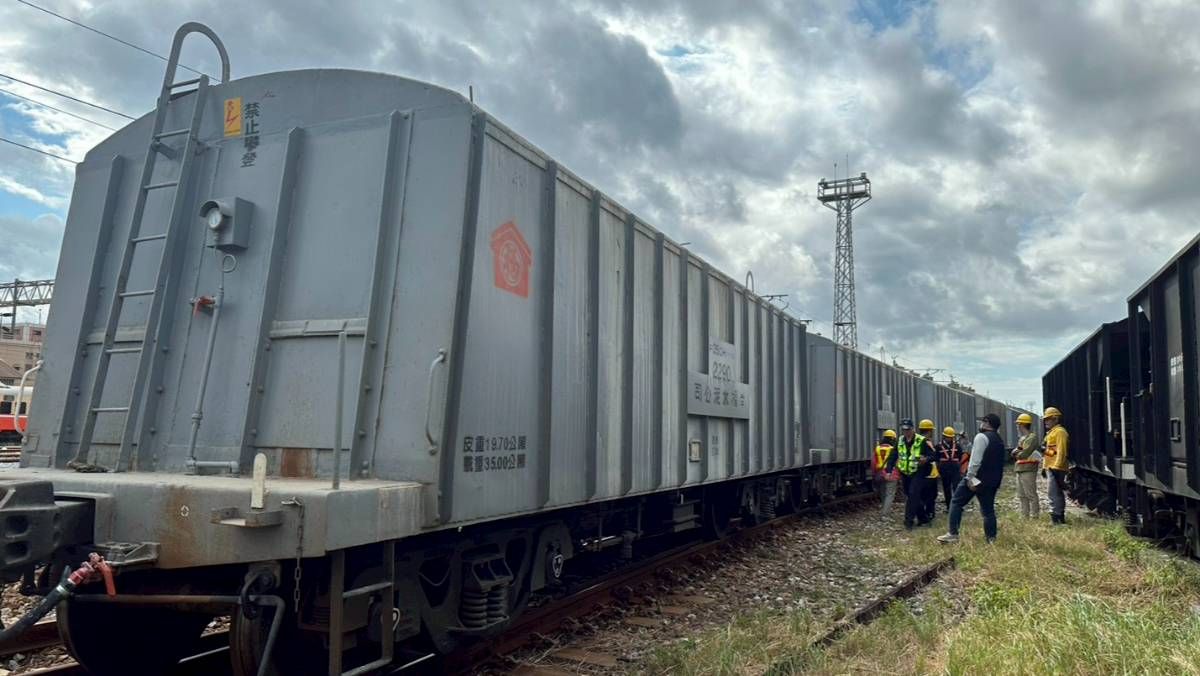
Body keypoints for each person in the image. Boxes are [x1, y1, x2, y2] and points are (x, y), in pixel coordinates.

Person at [937, 413, 1006, 544]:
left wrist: (969, 477)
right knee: (988, 511)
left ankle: (953, 533)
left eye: (982, 422)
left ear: (986, 423)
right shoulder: (998, 440)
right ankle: (991, 539)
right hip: (992, 481)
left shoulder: (981, 437)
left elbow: (975, 461)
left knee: (956, 502)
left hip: (976, 479)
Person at [887, 418, 937, 530]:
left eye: (908, 429)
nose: (906, 432)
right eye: (904, 430)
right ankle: (923, 518)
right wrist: (889, 470)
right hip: (905, 472)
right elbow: (893, 455)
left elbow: (934, 455)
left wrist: (926, 459)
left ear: (912, 429)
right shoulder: (900, 441)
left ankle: (908, 521)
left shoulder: (921, 440)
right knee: (911, 496)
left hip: (918, 472)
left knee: (913, 494)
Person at [1042, 407, 1070, 524]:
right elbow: (1052, 452)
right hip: (1051, 467)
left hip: (1055, 468)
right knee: (1054, 492)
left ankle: (1057, 518)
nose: (1046, 421)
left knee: (1054, 493)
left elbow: (1062, 451)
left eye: (1048, 419)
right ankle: (1057, 517)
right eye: (1045, 419)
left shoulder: (1060, 432)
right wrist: (1044, 466)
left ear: (1055, 419)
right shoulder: (1052, 433)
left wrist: (1057, 467)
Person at [1011, 413, 1040, 518]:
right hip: (1020, 468)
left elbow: (1024, 454)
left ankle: (1034, 516)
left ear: (1022, 424)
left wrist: (1017, 453)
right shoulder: (1023, 438)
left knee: (1031, 494)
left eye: (1018, 424)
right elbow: (1015, 452)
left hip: (1029, 468)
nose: (1017, 427)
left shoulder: (1032, 438)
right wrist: (1017, 453)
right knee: (1022, 495)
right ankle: (1024, 515)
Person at [935, 426, 966, 509]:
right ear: (944, 437)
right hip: (944, 470)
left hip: (955, 469)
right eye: (948, 437)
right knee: (946, 488)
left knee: (957, 487)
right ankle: (949, 506)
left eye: (951, 437)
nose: (950, 439)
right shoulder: (938, 446)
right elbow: (936, 458)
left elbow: (960, 456)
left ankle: (958, 505)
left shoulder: (957, 446)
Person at [874, 430, 900, 515]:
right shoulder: (893, 449)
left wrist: (875, 472)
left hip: (880, 473)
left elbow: (873, 462)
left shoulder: (877, 448)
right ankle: (885, 513)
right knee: (890, 494)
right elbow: (897, 462)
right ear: (893, 439)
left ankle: (883, 508)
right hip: (891, 473)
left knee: (883, 492)